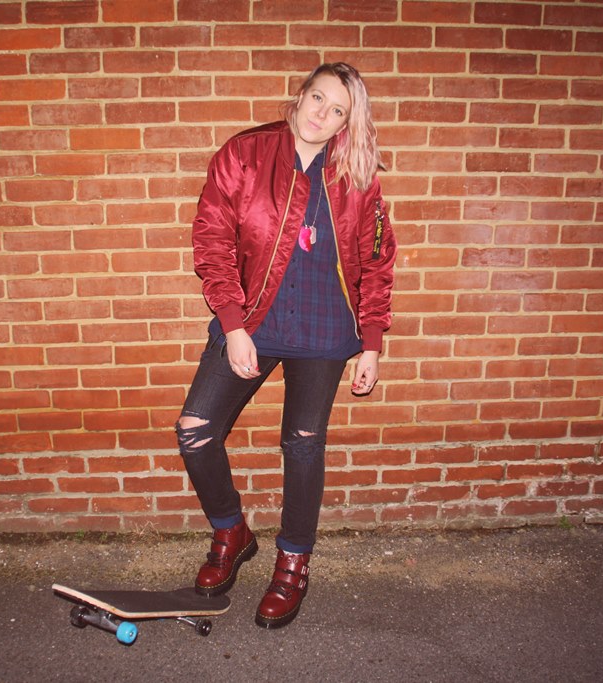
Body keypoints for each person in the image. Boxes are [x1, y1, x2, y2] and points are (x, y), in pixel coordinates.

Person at [175, 62, 397, 629]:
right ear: (300, 95)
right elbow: (212, 238)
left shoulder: (357, 173)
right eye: (318, 98)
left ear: (347, 122)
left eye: (338, 110)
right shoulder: (245, 154)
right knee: (196, 429)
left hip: (325, 328)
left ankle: (293, 562)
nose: (322, 114)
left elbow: (376, 260)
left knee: (302, 443)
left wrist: (371, 342)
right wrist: (232, 326)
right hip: (254, 318)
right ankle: (232, 531)